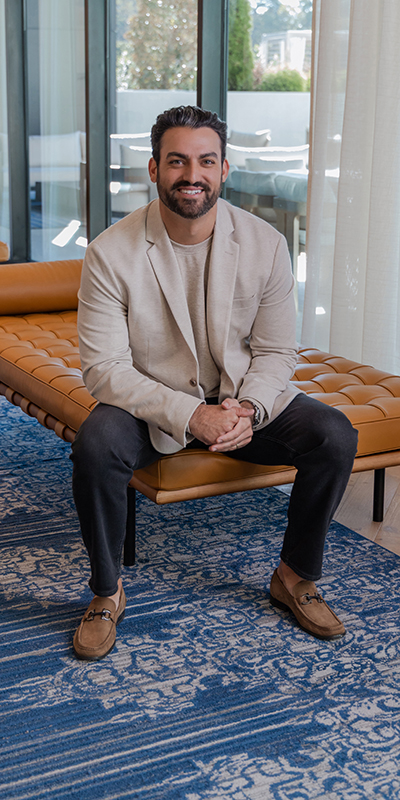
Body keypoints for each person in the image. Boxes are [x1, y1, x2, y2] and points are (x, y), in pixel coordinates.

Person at [71, 105, 358, 661]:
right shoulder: (110, 252)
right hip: (152, 402)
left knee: (334, 434)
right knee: (96, 444)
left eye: (206, 161)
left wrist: (248, 409)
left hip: (238, 399)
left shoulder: (265, 244)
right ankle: (106, 592)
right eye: (177, 161)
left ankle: (295, 576)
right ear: (153, 169)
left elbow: (275, 352)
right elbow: (104, 369)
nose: (192, 174)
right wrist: (191, 415)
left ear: (224, 169)